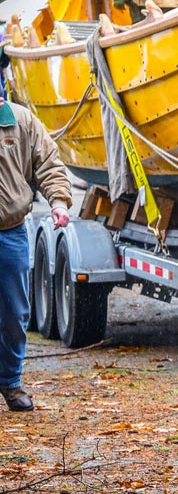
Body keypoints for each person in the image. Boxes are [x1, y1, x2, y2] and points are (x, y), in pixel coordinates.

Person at [1, 99, 72, 411]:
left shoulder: (18, 119)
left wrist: (58, 201)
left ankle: (10, 383)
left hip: (10, 231)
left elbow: (48, 163)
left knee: (15, 314)